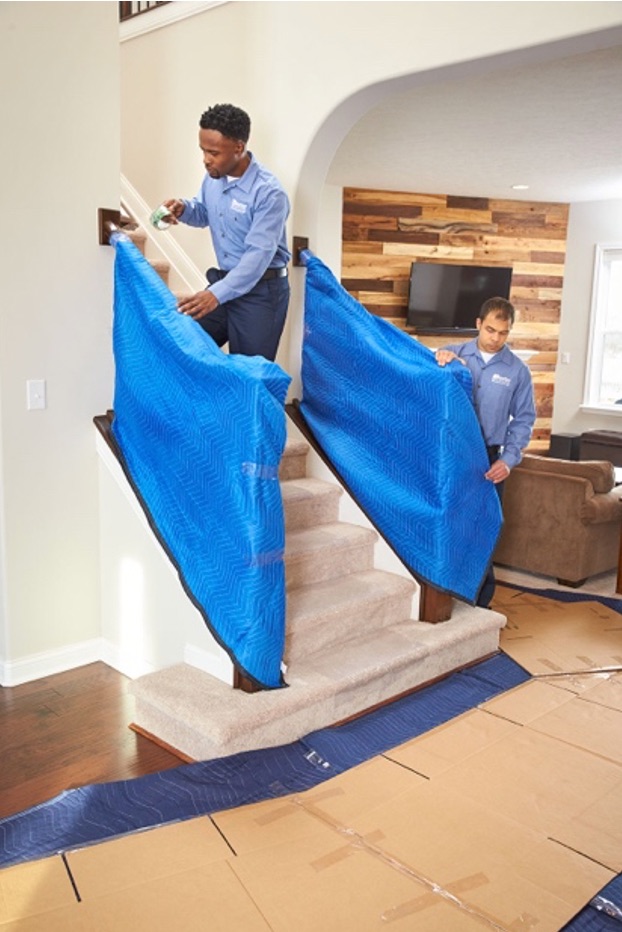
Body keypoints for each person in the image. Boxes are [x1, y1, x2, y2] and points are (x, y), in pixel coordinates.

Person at [161, 104, 291, 361]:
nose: (206, 159)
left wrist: (215, 295)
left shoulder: (269, 193)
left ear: (239, 148)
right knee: (183, 343)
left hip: (261, 293)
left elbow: (256, 258)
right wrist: (183, 209)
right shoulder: (213, 177)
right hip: (226, 283)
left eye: (213, 152)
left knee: (250, 376)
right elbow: (204, 212)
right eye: (203, 150)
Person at [435, 296, 536, 607]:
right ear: (478, 324)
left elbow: (524, 419)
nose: (496, 338)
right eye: (491, 330)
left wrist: (508, 460)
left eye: (503, 333)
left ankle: (480, 600)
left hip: (489, 459)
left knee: (483, 525)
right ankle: (440, 592)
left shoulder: (517, 371)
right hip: (450, 454)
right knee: (447, 520)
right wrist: (435, 361)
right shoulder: (450, 355)